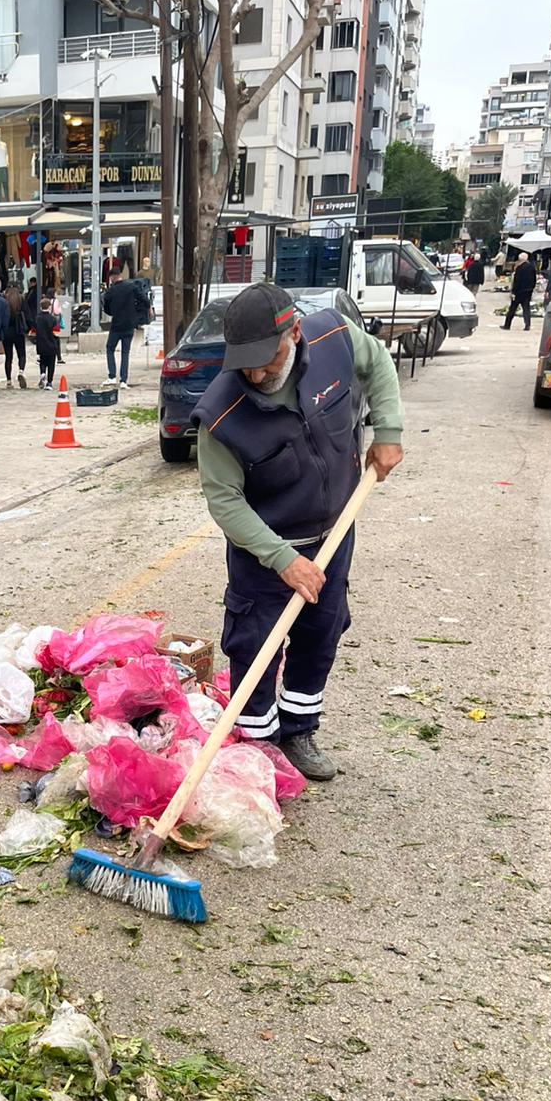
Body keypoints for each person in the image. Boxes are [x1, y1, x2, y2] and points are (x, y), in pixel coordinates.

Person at [192, 283, 404, 781]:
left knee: (320, 634)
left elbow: (378, 364)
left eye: (267, 359)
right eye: (245, 363)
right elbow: (224, 499)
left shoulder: (333, 337)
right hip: (265, 552)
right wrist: (281, 558)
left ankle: (299, 731)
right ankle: (257, 745)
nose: (256, 374)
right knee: (254, 645)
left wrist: (388, 430)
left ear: (294, 331)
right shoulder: (220, 413)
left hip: (333, 534)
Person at [103, 269, 147, 386]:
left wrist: (114, 311)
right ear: (120, 276)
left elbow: (107, 309)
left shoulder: (110, 291)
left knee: (110, 349)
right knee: (125, 352)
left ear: (112, 278)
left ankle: (112, 376)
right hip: (129, 325)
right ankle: (123, 380)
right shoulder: (132, 287)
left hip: (116, 325)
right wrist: (140, 313)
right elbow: (144, 300)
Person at [2, 283, 28, 388]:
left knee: (8, 357)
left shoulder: (4, 300)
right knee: (21, 353)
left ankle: (8, 380)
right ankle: (21, 371)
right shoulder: (21, 299)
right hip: (19, 330)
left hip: (7, 331)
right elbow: (27, 314)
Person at [33, 296, 61, 389]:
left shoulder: (37, 318)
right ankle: (49, 382)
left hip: (41, 345)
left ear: (41, 307)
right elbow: (56, 333)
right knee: (51, 364)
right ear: (50, 307)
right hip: (51, 345)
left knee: (43, 362)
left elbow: (33, 332)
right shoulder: (53, 319)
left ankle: (42, 373)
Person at [504, 253, 536, 330]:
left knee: (512, 308)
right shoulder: (532, 267)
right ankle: (527, 325)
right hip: (528, 291)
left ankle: (507, 325)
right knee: (526, 309)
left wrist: (513, 292)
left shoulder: (519, 268)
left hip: (519, 292)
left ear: (519, 259)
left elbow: (517, 281)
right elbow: (534, 279)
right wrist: (531, 288)